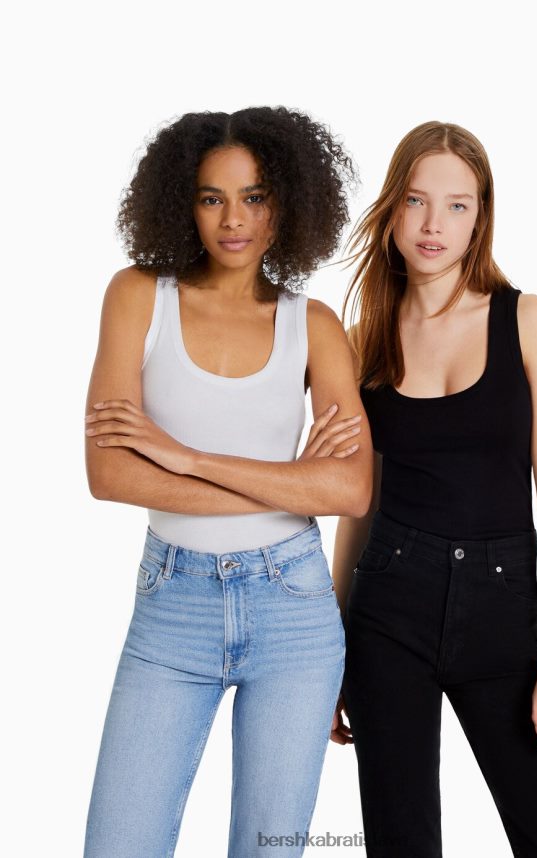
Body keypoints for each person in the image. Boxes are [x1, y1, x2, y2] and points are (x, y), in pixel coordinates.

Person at [82, 107, 373, 858]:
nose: (233, 219)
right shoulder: (138, 296)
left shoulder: (312, 325)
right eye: (212, 197)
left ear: (287, 205)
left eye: (254, 197)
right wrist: (291, 483)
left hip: (294, 612)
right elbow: (109, 473)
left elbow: (349, 491)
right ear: (183, 202)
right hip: (171, 609)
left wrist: (185, 458)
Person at [330, 121, 537, 857]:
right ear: (392, 208)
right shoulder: (365, 339)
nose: (434, 225)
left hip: (500, 616)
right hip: (386, 612)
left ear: (480, 216)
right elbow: (359, 505)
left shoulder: (528, 320)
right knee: (402, 843)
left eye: (456, 205)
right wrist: (330, 648)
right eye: (417, 201)